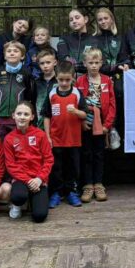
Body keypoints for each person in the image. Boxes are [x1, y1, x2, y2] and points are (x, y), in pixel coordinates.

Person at [43, 61, 87, 208]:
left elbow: (84, 114)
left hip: (74, 140)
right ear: (56, 77)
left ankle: (72, 192)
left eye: (67, 80)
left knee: (73, 167)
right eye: (61, 79)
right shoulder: (51, 94)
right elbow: (46, 116)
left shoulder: (76, 93)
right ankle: (56, 193)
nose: (64, 82)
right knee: (56, 167)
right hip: (56, 139)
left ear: (73, 78)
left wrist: (75, 111)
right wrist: (48, 136)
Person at [76, 47, 116, 203]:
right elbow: (76, 102)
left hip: (101, 124)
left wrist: (107, 124)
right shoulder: (79, 81)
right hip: (86, 122)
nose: (93, 65)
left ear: (101, 63)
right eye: (90, 62)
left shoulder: (106, 80)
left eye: (96, 62)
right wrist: (81, 121)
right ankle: (87, 185)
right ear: (85, 63)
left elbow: (112, 104)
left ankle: (99, 184)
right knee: (86, 154)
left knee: (99, 154)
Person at [4, 102, 54, 223]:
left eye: (26, 114)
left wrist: (39, 179)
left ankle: (32, 201)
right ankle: (17, 204)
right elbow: (11, 165)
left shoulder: (40, 135)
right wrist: (28, 181)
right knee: (18, 196)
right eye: (19, 113)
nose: (22, 117)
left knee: (40, 216)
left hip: (39, 179)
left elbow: (48, 159)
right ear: (13, 116)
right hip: (21, 179)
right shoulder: (9, 138)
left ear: (32, 117)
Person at [0, 40, 36, 140]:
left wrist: (24, 113)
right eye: (9, 51)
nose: (12, 53)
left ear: (22, 56)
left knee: (18, 142)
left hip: (19, 117)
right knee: (2, 141)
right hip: (1, 116)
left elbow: (31, 95)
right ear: (4, 55)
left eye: (16, 51)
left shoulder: (26, 72)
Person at [57, 8, 98, 73]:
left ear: (85, 19)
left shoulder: (95, 40)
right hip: (69, 79)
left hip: (89, 79)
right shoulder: (64, 38)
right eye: (71, 20)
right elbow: (63, 59)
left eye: (77, 18)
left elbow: (95, 62)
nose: (74, 21)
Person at [32, 48, 59, 118]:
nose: (45, 66)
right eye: (42, 63)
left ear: (55, 62)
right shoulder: (36, 82)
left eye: (48, 62)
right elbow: (33, 101)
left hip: (57, 118)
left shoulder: (60, 81)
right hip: (39, 118)